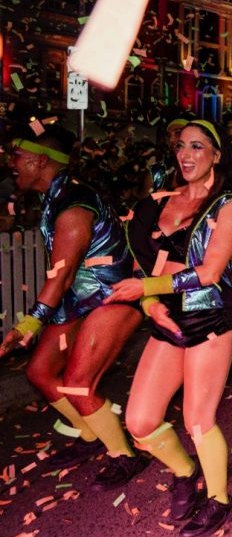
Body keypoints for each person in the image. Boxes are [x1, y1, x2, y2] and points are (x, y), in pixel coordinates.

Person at [103, 120, 232, 537]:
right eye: (182, 146)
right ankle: (186, 472)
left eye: (198, 147)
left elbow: (210, 271)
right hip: (167, 318)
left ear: (216, 155)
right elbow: (140, 263)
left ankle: (220, 500)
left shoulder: (229, 205)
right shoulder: (157, 201)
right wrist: (149, 303)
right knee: (141, 422)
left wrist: (146, 288)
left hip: (211, 318)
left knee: (198, 419)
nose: (186, 154)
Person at [0, 124, 146, 490]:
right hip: (79, 302)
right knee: (40, 372)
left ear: (40, 159)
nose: (11, 162)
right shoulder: (55, 195)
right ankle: (91, 434)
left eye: (17, 155)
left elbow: (62, 277)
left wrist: (30, 325)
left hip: (113, 297)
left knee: (79, 383)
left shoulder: (73, 205)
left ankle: (125, 455)